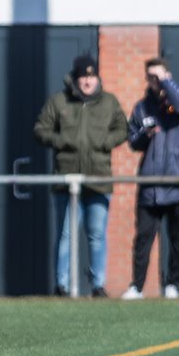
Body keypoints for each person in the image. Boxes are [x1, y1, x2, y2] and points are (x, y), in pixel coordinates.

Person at [33, 54, 128, 298]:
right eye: (83, 76)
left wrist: (106, 142)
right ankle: (61, 285)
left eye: (91, 76)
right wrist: (61, 140)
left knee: (97, 234)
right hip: (67, 178)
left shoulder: (109, 102)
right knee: (65, 235)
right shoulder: (59, 101)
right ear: (75, 78)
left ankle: (98, 285)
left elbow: (122, 129)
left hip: (98, 178)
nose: (87, 81)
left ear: (97, 78)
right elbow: (40, 129)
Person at [121, 57, 179, 300]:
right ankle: (137, 287)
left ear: (167, 75)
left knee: (178, 238)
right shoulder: (142, 107)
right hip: (151, 185)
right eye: (150, 76)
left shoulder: (177, 99)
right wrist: (146, 134)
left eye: (158, 76)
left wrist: (167, 83)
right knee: (143, 236)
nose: (154, 81)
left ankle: (172, 284)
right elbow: (133, 141)